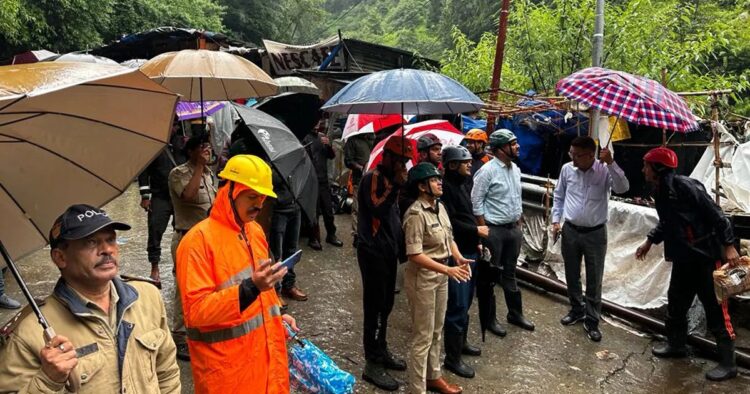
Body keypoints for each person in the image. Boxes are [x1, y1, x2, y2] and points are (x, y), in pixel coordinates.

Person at [0, 204, 180, 393]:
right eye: (91, 242)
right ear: (60, 258)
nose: (107, 250)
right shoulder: (30, 331)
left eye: (111, 239)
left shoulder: (147, 296)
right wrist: (47, 381)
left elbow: (166, 371)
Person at [176, 155, 299, 393]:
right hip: (227, 375)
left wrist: (277, 316)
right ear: (229, 190)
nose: (259, 204)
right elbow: (196, 313)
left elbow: (264, 292)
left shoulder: (255, 232)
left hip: (266, 367)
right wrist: (250, 287)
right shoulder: (197, 242)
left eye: (263, 197)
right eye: (252, 196)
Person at [635, 147, 740, 381]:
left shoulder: (686, 187)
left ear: (658, 169)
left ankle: (728, 363)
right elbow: (669, 222)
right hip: (684, 258)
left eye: (646, 166)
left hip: (704, 258)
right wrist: (650, 240)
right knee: (676, 304)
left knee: (715, 310)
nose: (643, 170)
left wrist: (729, 245)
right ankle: (677, 345)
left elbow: (717, 216)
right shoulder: (661, 191)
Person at [551, 136, 629, 342]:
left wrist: (611, 163)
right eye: (571, 154)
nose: (573, 158)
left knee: (594, 278)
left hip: (595, 233)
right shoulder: (567, 170)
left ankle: (592, 320)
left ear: (590, 155)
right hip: (570, 230)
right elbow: (559, 196)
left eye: (577, 155)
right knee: (571, 272)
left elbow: (623, 188)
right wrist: (556, 221)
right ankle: (576, 309)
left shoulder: (604, 170)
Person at [403, 162, 472, 394]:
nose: (440, 182)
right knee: (422, 336)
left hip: (442, 275)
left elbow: (448, 238)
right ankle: (417, 388)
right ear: (422, 187)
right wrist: (447, 271)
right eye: (434, 180)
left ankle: (434, 377)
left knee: (436, 330)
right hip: (422, 278)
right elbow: (414, 254)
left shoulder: (439, 207)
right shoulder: (415, 214)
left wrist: (459, 258)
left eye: (438, 178)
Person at [357, 137, 411, 391]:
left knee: (387, 305)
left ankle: (382, 348)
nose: (403, 165)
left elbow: (395, 217)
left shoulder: (394, 182)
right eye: (400, 160)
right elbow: (377, 209)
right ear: (388, 157)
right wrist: (395, 189)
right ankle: (372, 362)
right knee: (374, 306)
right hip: (373, 252)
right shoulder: (373, 178)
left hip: (389, 252)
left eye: (406, 161)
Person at [471, 129, 535, 335]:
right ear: (500, 149)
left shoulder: (515, 169)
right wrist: (484, 230)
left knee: (510, 272)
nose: (517, 146)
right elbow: (476, 201)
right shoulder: (487, 171)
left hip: (512, 230)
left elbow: (516, 197)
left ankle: (515, 314)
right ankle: (489, 319)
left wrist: (519, 220)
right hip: (494, 231)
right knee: (490, 275)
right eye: (513, 143)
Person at [167, 134, 217, 361]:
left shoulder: (210, 174)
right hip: (186, 238)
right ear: (191, 151)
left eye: (208, 146)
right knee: (184, 288)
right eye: (202, 147)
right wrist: (198, 167)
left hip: (208, 239)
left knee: (209, 285)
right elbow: (188, 196)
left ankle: (202, 326)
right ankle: (180, 337)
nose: (207, 150)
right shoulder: (178, 174)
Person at [440, 146, 485, 379]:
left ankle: (462, 343)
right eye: (464, 161)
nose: (470, 164)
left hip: (470, 250)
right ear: (452, 165)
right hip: (456, 254)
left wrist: (476, 239)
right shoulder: (444, 189)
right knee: (457, 305)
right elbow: (451, 225)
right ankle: (452, 358)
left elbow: (466, 215)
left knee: (466, 302)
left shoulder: (463, 185)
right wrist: (476, 229)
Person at [138, 116, 187, 283]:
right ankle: (155, 268)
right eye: (170, 125)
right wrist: (145, 196)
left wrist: (198, 144)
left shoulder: (183, 143)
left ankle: (179, 264)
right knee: (155, 231)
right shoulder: (152, 144)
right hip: (159, 196)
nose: (173, 129)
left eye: (175, 126)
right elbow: (143, 171)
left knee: (182, 233)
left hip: (180, 198)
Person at [303, 124, 343, 250]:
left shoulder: (322, 137)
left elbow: (331, 156)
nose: (317, 124)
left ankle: (331, 234)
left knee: (328, 210)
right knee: (314, 211)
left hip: (323, 180)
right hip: (311, 180)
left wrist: (328, 145)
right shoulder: (305, 138)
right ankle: (313, 237)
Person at [270, 170, 306, 303]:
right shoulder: (270, 156)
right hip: (278, 210)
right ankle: (275, 290)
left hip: (295, 207)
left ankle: (288, 284)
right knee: (275, 253)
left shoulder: (293, 156)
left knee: (291, 250)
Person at [344, 133, 375, 248]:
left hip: (373, 179)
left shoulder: (373, 138)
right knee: (357, 207)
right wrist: (360, 167)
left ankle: (369, 233)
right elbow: (348, 161)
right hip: (359, 180)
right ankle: (357, 235)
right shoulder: (352, 141)